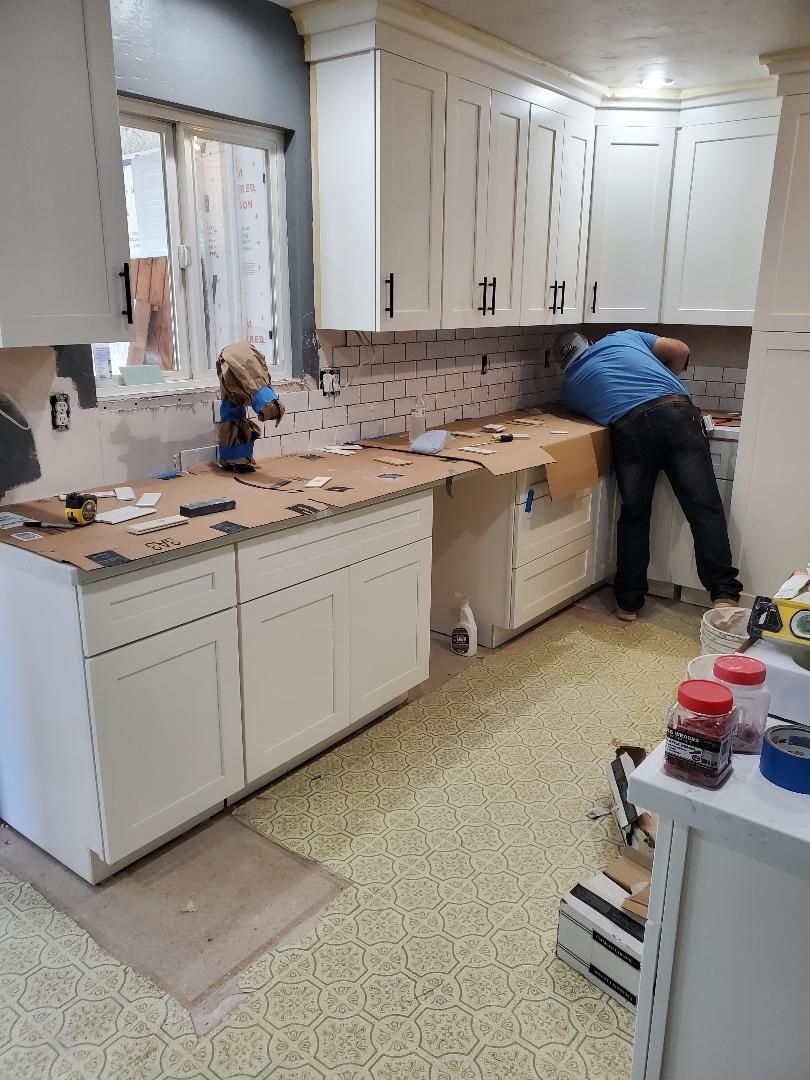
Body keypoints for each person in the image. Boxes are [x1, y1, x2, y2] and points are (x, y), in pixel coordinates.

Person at [553, 329, 742, 621]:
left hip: (631, 430)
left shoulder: (570, 390)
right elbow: (680, 348)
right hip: (678, 415)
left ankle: (628, 603)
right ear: (589, 342)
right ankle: (724, 594)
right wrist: (668, 379)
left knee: (635, 515)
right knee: (704, 508)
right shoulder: (621, 338)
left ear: (563, 365)